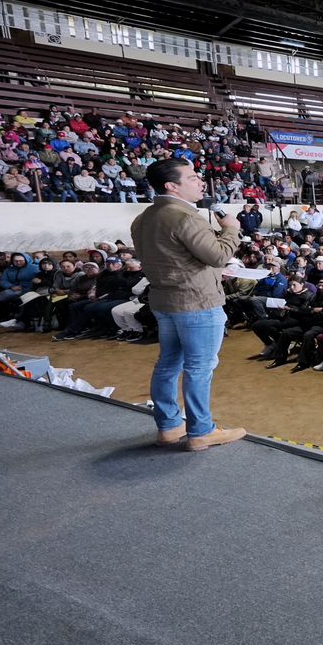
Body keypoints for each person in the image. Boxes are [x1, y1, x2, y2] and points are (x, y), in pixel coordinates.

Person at [128, 158, 245, 451]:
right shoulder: (185, 216)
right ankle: (201, 431)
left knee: (168, 364)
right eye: (192, 177)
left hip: (164, 300)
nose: (200, 181)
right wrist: (231, 229)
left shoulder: (144, 217)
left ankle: (168, 426)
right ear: (172, 186)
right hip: (196, 302)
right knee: (199, 367)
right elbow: (218, 256)